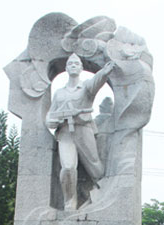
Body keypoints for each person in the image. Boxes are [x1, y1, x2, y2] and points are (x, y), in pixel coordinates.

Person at [46, 53, 115, 210]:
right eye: (70, 63)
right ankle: (69, 204)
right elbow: (50, 115)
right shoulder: (60, 93)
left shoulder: (85, 87)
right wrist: (52, 120)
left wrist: (104, 72)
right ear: (66, 67)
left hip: (83, 130)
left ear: (82, 67)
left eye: (77, 63)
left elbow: (95, 82)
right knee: (68, 168)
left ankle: (104, 195)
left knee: (95, 167)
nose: (73, 65)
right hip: (65, 134)